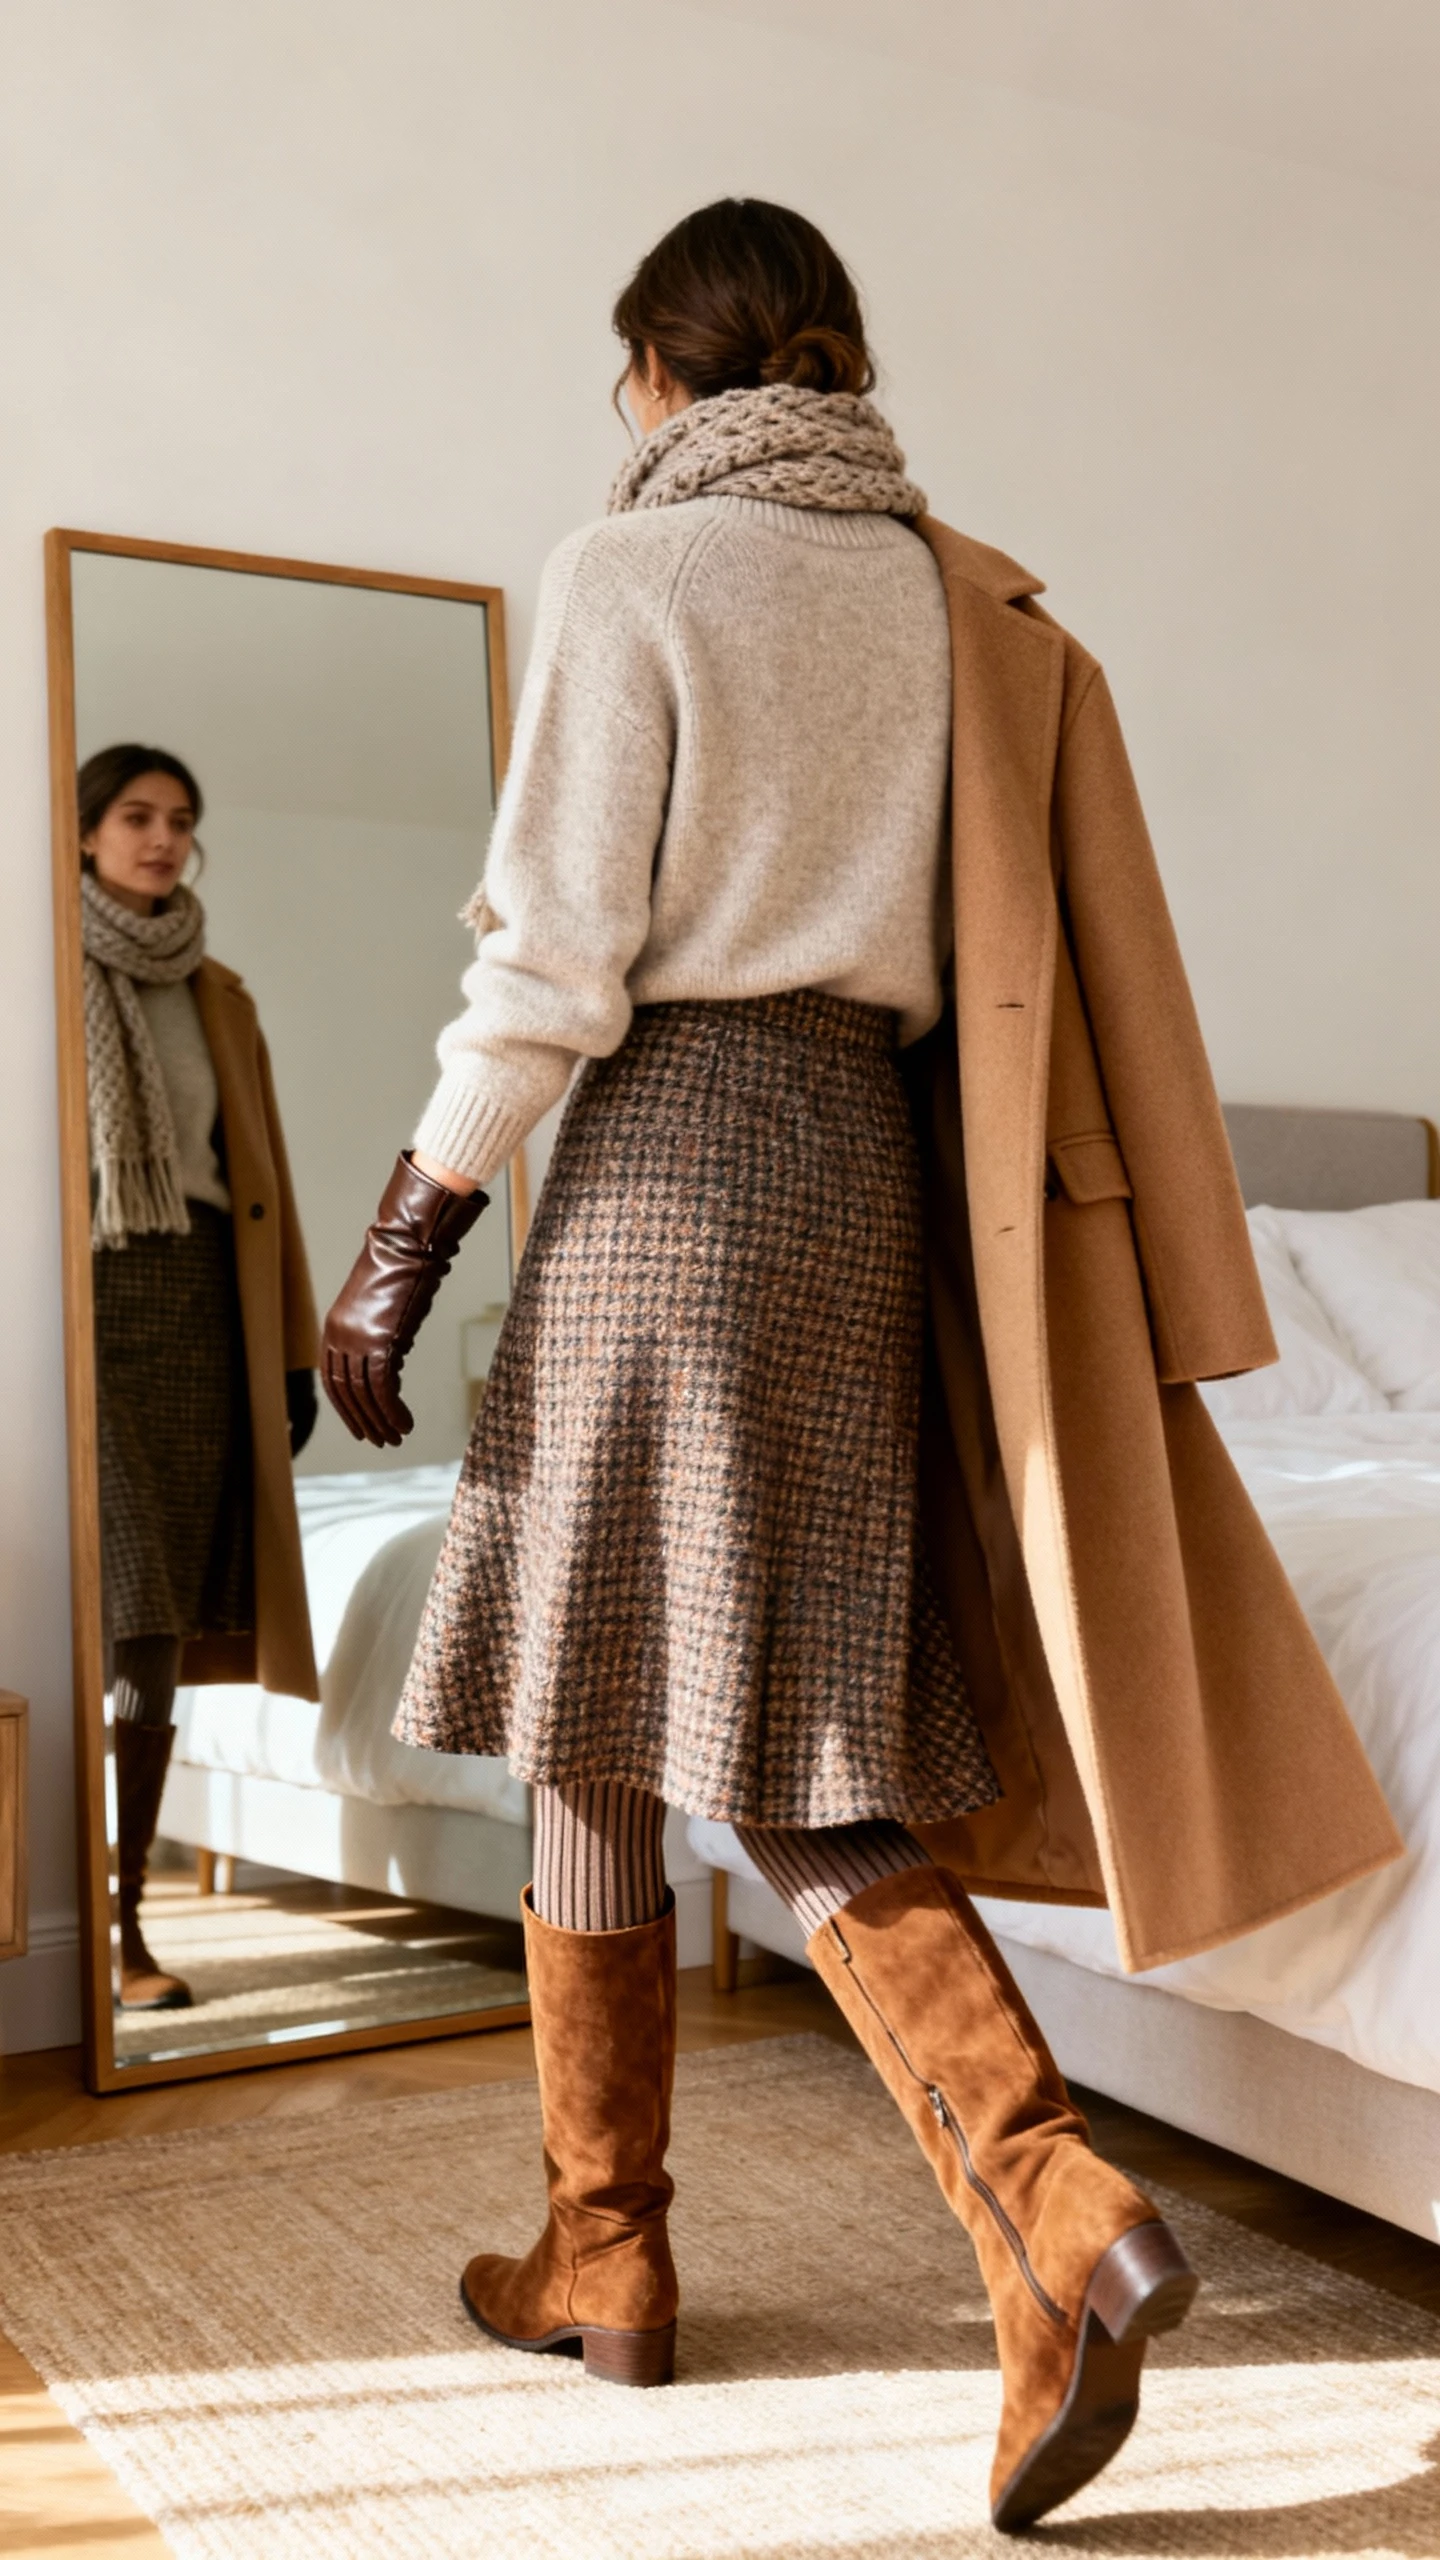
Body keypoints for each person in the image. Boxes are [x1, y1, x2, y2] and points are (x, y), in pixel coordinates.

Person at [321, 200, 1400, 2531]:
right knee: (654, 1681)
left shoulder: (631, 571)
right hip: (862, 1172)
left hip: (671, 1160)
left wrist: (401, 1237)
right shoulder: (947, 598)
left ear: (657, 372)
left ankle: (1046, 2204)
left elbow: (551, 963)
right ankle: (606, 2239)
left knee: (729, 1715)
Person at [82, 744, 321, 2011]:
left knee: (161, 1635)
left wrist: (290, 1352)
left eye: (181, 821)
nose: (162, 839)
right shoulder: (39, 969)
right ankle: (98, 1924)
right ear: (83, 835)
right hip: (86, 1306)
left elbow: (264, 1182)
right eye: (136, 816)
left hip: (202, 1314)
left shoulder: (221, 992)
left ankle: (125, 1925)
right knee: (121, 1605)